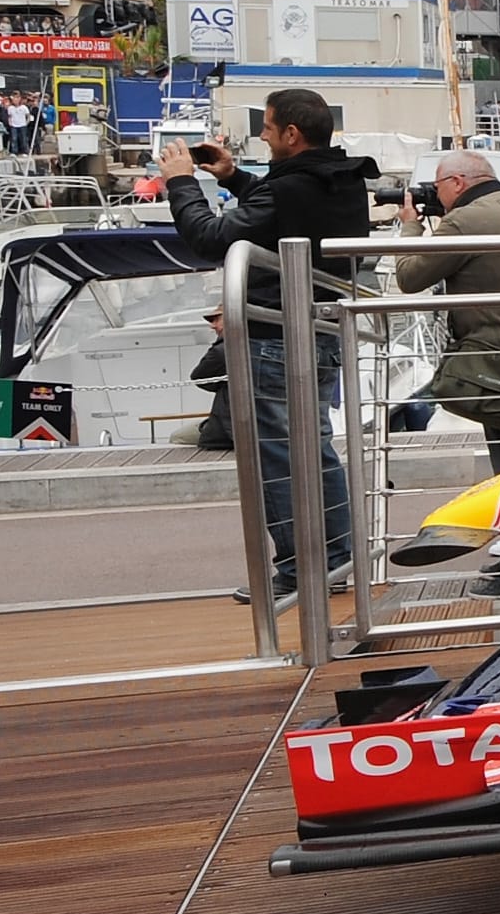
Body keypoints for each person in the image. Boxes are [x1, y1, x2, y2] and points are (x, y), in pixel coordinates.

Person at [154, 87, 373, 604]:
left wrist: (181, 182)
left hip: (275, 335)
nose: (262, 135)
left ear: (291, 135)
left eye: (269, 128)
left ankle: (299, 569)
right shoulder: (339, 179)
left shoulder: (292, 186)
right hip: (321, 329)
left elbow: (211, 238)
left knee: (276, 457)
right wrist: (231, 176)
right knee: (315, 451)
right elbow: (281, 209)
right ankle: (338, 560)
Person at [394, 151, 500, 491]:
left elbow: (409, 277)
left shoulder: (464, 222)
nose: (435, 194)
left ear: (457, 182)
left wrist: (411, 224)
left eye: (437, 186)